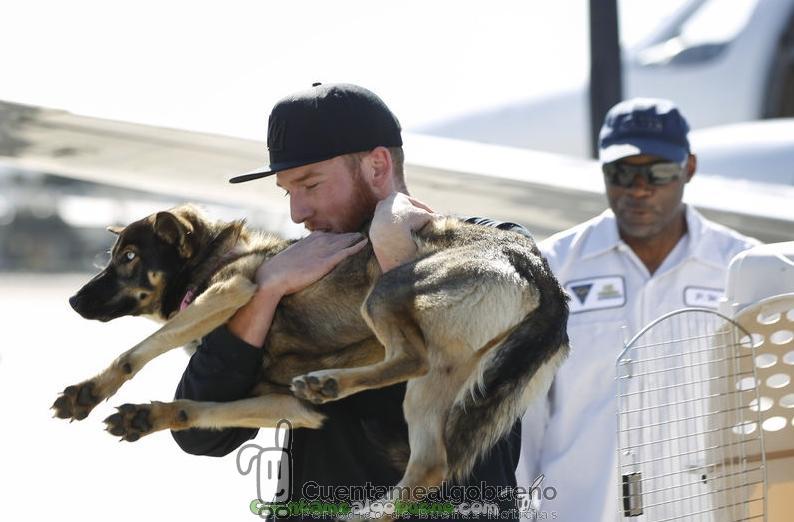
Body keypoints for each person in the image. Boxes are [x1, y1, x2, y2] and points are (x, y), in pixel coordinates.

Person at [170, 83, 524, 519]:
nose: (297, 212)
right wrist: (265, 290)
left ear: (377, 166)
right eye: (288, 191)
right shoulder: (293, 273)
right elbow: (200, 434)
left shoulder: (495, 248)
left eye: (310, 184)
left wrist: (392, 245)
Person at [515, 98, 760, 520]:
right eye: (622, 172)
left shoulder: (743, 268)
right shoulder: (551, 267)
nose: (639, 188)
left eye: (659, 172)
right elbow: (523, 414)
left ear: (689, 168)